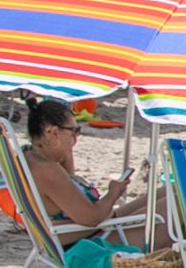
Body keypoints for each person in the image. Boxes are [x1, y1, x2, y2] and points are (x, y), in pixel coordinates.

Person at [19, 96, 146, 232]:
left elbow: (69, 178)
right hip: (90, 241)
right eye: (74, 132)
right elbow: (93, 218)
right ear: (52, 132)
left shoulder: (30, 156)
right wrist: (113, 193)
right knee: (165, 209)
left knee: (167, 194)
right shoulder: (47, 170)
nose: (75, 139)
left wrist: (64, 147)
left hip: (89, 230)